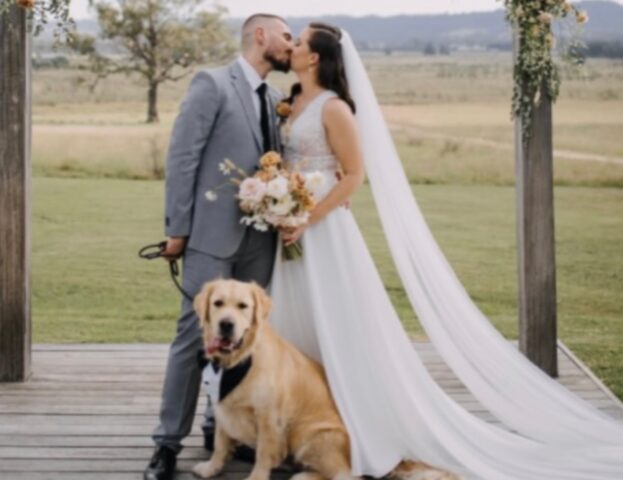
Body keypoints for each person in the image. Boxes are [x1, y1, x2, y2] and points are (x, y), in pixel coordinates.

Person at [269, 23, 623, 479]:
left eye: (298, 42)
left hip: (323, 232)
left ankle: (354, 432)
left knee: (338, 328)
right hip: (290, 229)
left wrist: (306, 218)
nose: (291, 47)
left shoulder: (334, 109)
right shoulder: (291, 99)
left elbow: (355, 175)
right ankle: (298, 432)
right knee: (293, 326)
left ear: (315, 57)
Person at [143, 14, 293, 480]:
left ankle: (219, 429)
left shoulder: (272, 99)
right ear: (261, 36)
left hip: (259, 240)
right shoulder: (212, 83)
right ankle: (167, 444)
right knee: (194, 337)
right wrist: (178, 228)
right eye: (287, 36)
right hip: (210, 234)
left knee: (244, 338)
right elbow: (183, 156)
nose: (292, 44)